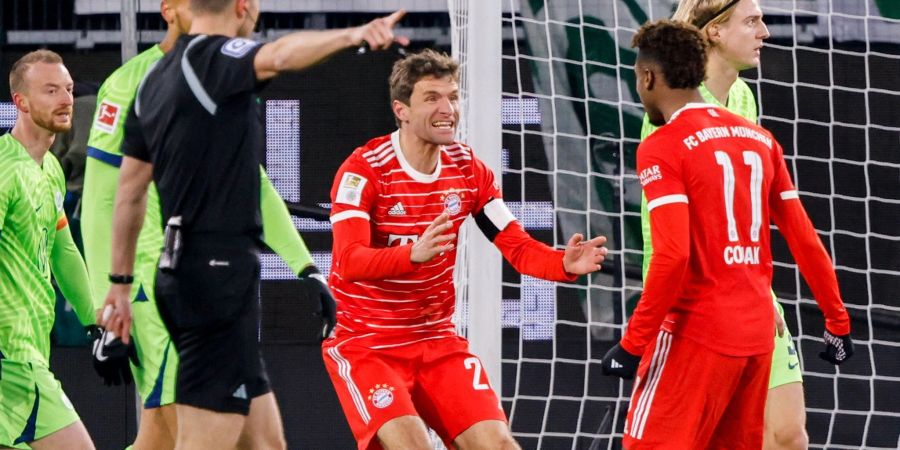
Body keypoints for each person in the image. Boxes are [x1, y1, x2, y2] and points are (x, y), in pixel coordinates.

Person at [98, 0, 407, 448]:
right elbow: (280, 56)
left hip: (184, 274)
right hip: (215, 274)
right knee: (204, 441)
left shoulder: (152, 82)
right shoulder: (214, 59)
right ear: (245, 6)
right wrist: (353, 34)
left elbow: (128, 194)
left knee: (264, 445)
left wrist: (120, 285)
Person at [323, 49, 608, 450]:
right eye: (432, 98)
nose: (448, 109)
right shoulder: (364, 170)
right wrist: (411, 255)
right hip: (369, 346)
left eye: (453, 97)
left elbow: (518, 247)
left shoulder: (467, 169)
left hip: (437, 340)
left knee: (500, 445)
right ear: (401, 109)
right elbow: (348, 262)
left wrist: (562, 263)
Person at [599, 20, 853, 448]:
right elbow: (804, 237)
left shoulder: (662, 144)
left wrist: (632, 343)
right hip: (756, 338)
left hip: (695, 334)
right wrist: (836, 319)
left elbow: (674, 254)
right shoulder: (760, 140)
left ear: (647, 77)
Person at [637, 2, 809, 448]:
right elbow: (675, 229)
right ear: (714, 32)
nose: (765, 32)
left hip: (747, 289)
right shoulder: (666, 109)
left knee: (788, 434)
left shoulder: (745, 97)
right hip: (693, 297)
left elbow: (746, 211)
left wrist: (760, 291)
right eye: (752, 21)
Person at [0, 50, 97, 450]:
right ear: (20, 102)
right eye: (51, 90)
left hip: (30, 352)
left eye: (69, 89)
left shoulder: (50, 169)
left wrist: (97, 323)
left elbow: (63, 251)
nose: (66, 99)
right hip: (11, 355)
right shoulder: (5, 171)